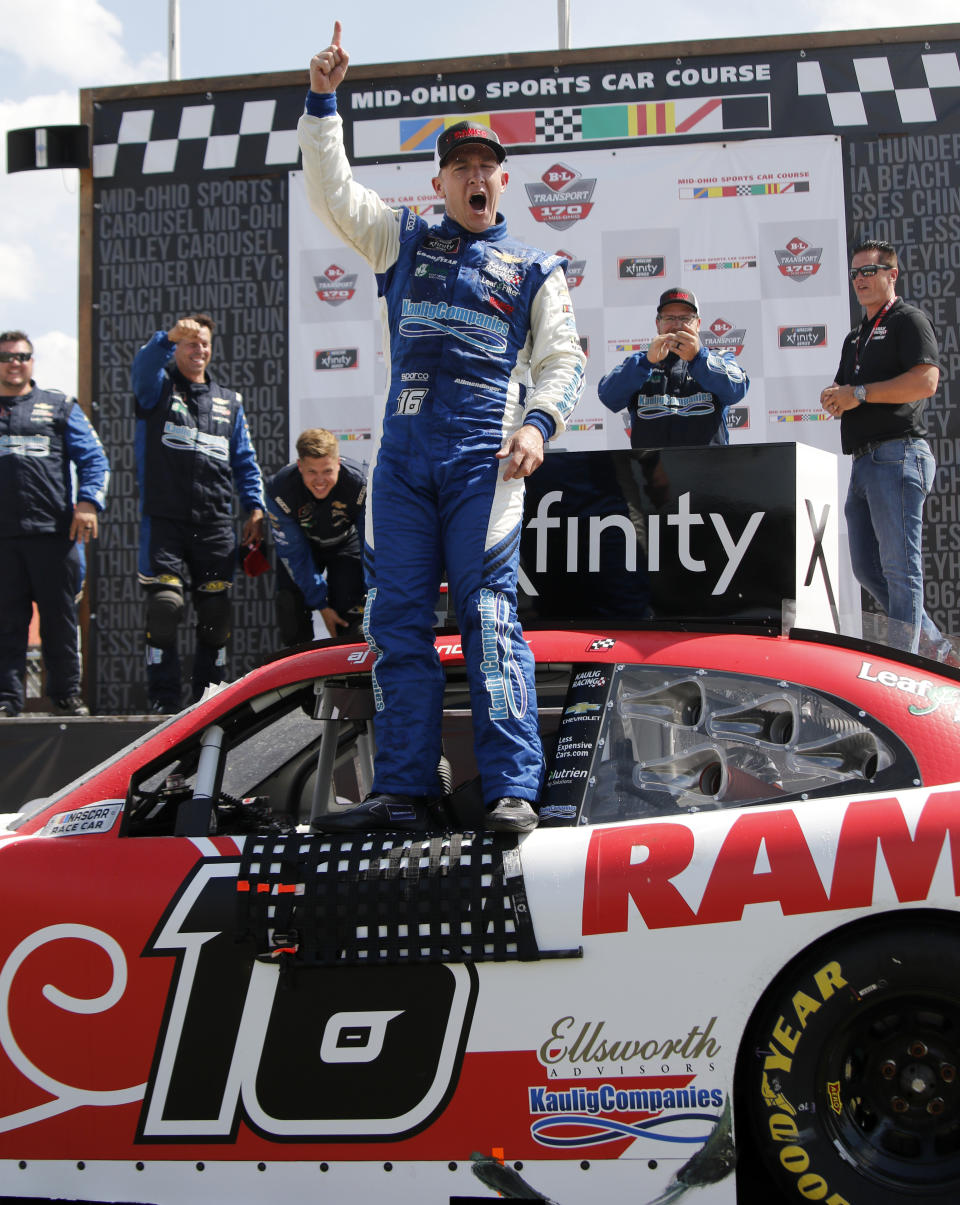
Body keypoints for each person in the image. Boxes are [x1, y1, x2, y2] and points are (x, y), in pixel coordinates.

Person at [298, 22, 585, 833]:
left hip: (483, 461)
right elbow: (332, 194)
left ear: (503, 180)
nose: (475, 177)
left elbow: (564, 357)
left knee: (489, 615)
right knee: (395, 620)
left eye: (486, 167)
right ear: (442, 180)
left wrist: (538, 423)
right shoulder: (405, 236)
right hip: (402, 460)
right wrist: (322, 103)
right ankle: (405, 788)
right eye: (460, 166)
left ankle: (511, 789)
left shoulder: (534, 266)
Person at [820, 238, 952, 660]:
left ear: (891, 275)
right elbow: (848, 391)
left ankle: (906, 664)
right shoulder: (855, 336)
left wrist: (858, 392)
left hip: (899, 454)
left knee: (900, 569)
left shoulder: (907, 320)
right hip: (863, 461)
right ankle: (937, 647)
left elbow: (925, 382)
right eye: (855, 272)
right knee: (865, 568)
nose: (859, 279)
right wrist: (835, 397)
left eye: (869, 271)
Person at [132, 315, 265, 712]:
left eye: (204, 343)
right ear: (176, 347)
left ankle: (209, 701)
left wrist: (255, 505)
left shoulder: (230, 401)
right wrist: (165, 337)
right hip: (165, 520)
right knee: (165, 609)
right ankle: (164, 701)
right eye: (190, 343)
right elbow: (142, 367)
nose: (198, 349)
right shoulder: (156, 388)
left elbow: (244, 459)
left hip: (214, 524)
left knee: (215, 614)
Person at [0, 331, 108, 717]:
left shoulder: (58, 405)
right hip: (4, 538)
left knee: (61, 622)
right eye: (7, 357)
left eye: (22, 356)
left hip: (54, 535)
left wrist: (88, 502)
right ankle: (6, 701)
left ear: (32, 361)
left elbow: (94, 458)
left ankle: (65, 696)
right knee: (6, 623)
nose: (15, 363)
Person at [598, 287, 748, 446]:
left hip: (708, 469)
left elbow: (736, 390)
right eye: (669, 318)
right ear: (658, 324)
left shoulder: (718, 358)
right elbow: (609, 396)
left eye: (685, 318)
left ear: (698, 324)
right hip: (652, 470)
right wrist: (646, 362)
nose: (677, 325)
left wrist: (698, 359)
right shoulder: (640, 362)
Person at [265, 428, 366, 644]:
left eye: (327, 471)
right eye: (312, 472)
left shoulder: (360, 484)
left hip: (346, 543)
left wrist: (376, 592)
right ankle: (300, 670)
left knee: (353, 624)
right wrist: (321, 604)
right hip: (304, 545)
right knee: (290, 610)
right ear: (300, 466)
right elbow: (294, 553)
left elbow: (374, 544)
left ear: (338, 463)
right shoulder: (280, 490)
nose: (320, 481)